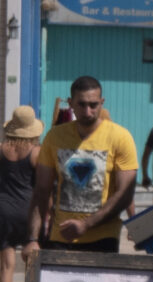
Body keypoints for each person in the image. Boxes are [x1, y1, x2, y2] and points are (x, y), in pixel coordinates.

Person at [23, 76, 138, 260]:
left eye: (93, 105)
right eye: (82, 104)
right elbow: (41, 192)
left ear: (102, 102)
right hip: (60, 237)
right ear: (71, 104)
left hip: (103, 238)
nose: (88, 111)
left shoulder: (120, 138)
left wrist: (86, 224)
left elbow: (125, 194)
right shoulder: (54, 137)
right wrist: (32, 239)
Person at [0, 106, 43, 282]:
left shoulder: (0, 150)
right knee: (32, 265)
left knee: (6, 267)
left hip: (2, 210)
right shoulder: (36, 152)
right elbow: (42, 185)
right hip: (28, 211)